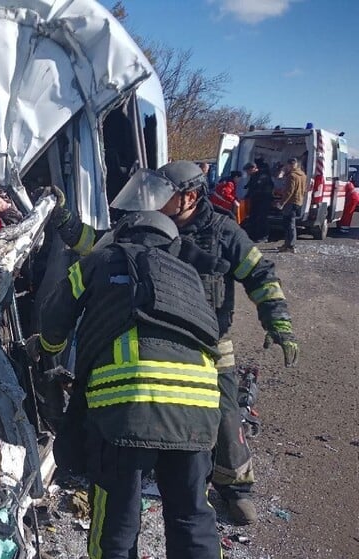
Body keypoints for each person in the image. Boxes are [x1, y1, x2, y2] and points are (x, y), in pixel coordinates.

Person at [50, 161, 299, 526]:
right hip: (157, 337)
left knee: (226, 417)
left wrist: (278, 321)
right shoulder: (140, 229)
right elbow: (95, 243)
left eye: (161, 194)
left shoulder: (223, 233)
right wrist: (63, 218)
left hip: (210, 343)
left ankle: (235, 488)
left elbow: (260, 274)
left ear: (190, 197)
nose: (151, 201)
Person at [37, 194, 227, 559]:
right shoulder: (190, 276)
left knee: (118, 512)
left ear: (124, 233)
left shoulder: (103, 260)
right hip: (198, 410)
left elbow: (55, 316)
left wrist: (49, 357)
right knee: (192, 510)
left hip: (128, 409)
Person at [276, 157, 307, 252]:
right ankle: (289, 245)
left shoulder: (292, 176)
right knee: (292, 224)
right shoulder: (303, 175)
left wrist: (281, 203)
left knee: (288, 224)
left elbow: (289, 192)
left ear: (289, 165)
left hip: (290, 202)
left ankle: (289, 245)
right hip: (298, 201)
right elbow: (304, 189)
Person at [244, 158, 275, 243]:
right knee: (253, 218)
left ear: (253, 168)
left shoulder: (262, 176)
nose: (247, 173)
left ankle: (264, 236)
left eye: (248, 171)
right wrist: (246, 197)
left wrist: (251, 195)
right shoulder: (254, 176)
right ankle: (254, 235)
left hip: (264, 200)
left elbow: (259, 189)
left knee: (262, 218)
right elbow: (251, 188)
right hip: (256, 200)